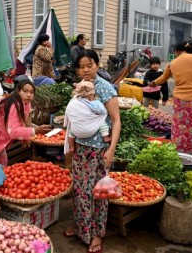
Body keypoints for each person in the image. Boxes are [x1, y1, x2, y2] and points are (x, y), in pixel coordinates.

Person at [63, 49, 121, 253]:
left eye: (90, 65)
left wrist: (111, 149)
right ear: (77, 70)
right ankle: (81, 227)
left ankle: (96, 234)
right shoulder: (79, 88)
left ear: (97, 65)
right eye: (81, 66)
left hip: (99, 150)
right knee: (80, 190)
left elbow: (116, 121)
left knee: (98, 193)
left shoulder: (105, 88)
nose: (86, 70)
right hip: (81, 148)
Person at [149, 40, 192, 167]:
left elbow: (162, 79)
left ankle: (180, 156)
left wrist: (152, 83)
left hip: (181, 100)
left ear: (176, 51)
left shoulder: (172, 63)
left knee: (181, 129)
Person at [0, 78, 51, 178]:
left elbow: (19, 121)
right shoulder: (14, 105)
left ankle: (0, 185)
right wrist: (35, 130)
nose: (29, 95)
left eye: (31, 92)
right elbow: (13, 131)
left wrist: (25, 137)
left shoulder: (26, 104)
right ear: (18, 91)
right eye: (25, 91)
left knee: (2, 162)